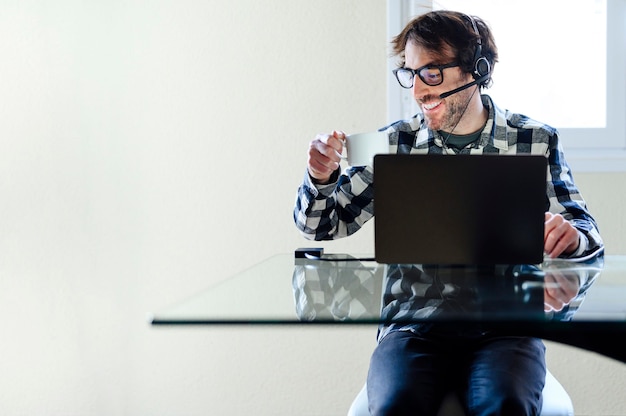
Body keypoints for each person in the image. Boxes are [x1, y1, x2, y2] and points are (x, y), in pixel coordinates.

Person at [293, 10, 603, 416]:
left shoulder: (536, 139)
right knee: (395, 407)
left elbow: (585, 232)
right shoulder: (393, 143)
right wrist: (320, 176)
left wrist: (573, 237)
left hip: (506, 327)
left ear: (477, 69)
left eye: (433, 72)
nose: (419, 90)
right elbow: (319, 226)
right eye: (411, 73)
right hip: (412, 326)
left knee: (505, 404)